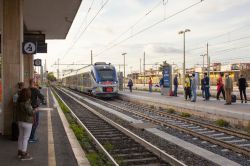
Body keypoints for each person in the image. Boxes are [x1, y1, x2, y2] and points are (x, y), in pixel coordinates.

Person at [17, 88, 35, 160]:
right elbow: (31, 112)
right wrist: (35, 110)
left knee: (20, 137)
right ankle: (24, 154)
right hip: (27, 122)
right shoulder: (26, 103)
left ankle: (19, 152)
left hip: (20, 121)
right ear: (28, 95)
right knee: (25, 138)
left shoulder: (19, 102)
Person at [29, 79, 45, 143]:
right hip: (34, 108)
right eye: (35, 82)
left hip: (28, 108)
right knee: (35, 123)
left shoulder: (27, 89)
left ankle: (30, 136)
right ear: (34, 83)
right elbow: (42, 97)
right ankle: (31, 138)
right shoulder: (35, 90)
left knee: (30, 123)